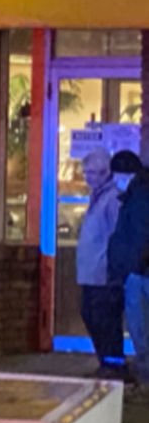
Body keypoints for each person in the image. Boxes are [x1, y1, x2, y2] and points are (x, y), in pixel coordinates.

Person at [77, 148, 125, 379]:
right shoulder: (97, 197)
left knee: (104, 320)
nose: (88, 178)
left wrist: (112, 269)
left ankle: (113, 365)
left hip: (103, 274)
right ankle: (107, 363)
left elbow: (117, 235)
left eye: (92, 173)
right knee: (92, 315)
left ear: (105, 172)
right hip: (92, 273)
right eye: (86, 173)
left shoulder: (112, 198)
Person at [105, 150, 149, 384]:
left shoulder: (139, 197)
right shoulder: (136, 194)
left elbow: (141, 235)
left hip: (139, 274)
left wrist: (131, 268)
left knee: (141, 327)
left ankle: (145, 379)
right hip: (137, 271)